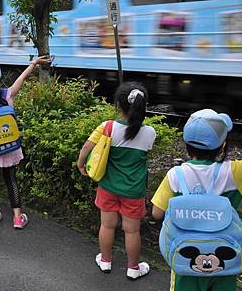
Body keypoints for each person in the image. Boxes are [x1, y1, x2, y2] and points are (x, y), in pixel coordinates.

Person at [152, 109, 237, 291]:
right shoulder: (234, 172)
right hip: (226, 262)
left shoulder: (175, 175)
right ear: (222, 146)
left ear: (187, 146)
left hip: (186, 261)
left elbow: (157, 213)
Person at [76, 83, 155, 280]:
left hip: (108, 187)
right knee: (132, 230)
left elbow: (86, 147)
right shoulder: (150, 133)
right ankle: (133, 268)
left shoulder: (108, 127)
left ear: (119, 105)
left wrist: (80, 164)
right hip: (133, 191)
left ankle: (105, 261)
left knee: (107, 225)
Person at [0, 58, 51, 229]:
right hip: (9, 144)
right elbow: (21, 78)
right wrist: (34, 63)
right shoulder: (8, 94)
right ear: (0, 78)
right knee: (11, 179)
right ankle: (17, 217)